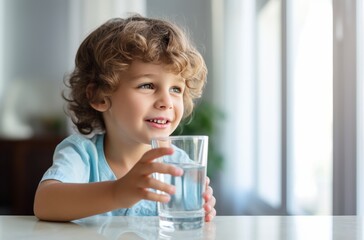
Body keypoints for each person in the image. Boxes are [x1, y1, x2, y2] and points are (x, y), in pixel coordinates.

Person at [33, 14, 216, 222]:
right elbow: (45, 203)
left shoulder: (178, 164)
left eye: (176, 89)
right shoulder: (83, 155)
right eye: (147, 85)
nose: (167, 101)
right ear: (99, 96)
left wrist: (202, 209)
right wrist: (117, 193)